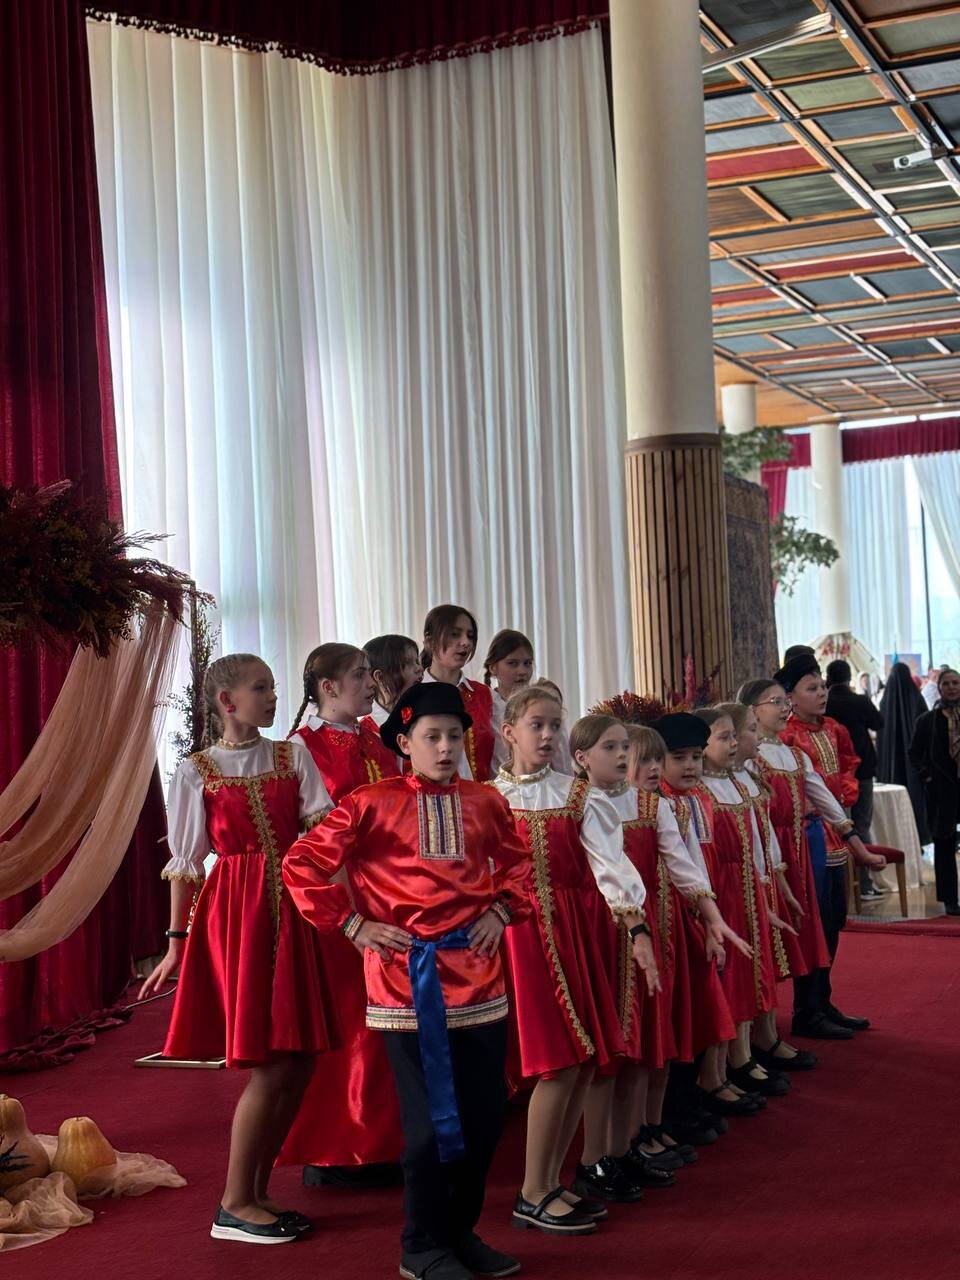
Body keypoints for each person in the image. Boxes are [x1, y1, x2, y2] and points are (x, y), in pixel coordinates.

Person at [284, 681, 531, 1280]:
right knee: (426, 1130)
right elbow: (301, 863)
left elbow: (521, 864)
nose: (445, 748)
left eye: (455, 736)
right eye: (432, 737)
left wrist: (501, 911)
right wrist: (352, 924)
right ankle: (421, 1245)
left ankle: (460, 1233)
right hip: (406, 987)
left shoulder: (486, 801)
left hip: (481, 983)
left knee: (484, 1119)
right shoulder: (369, 803)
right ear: (404, 743)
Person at [140, 654, 335, 1244]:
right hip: (239, 915)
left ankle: (257, 1191)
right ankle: (233, 1202)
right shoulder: (197, 771)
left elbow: (324, 836)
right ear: (227, 702)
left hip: (293, 909)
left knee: (300, 1061)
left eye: (272, 686)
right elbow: (186, 863)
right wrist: (175, 944)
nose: (272, 696)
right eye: (260, 688)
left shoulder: (292, 756)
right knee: (273, 1063)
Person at [495, 692, 658, 1227]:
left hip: (573, 933)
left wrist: (637, 929)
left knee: (583, 1061)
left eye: (555, 725)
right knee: (559, 1061)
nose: (547, 735)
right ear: (509, 731)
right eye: (536, 725)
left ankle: (549, 1183)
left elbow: (611, 865)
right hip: (516, 937)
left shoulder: (578, 794)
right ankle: (531, 1190)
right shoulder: (488, 798)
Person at [280, 643, 403, 1182]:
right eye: (359, 675)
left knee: (389, 1014)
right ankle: (339, 1148)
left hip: (391, 889)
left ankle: (387, 1138)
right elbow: (305, 840)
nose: (371, 684)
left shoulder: (376, 736)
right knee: (350, 1017)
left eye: (370, 673)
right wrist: (342, 910)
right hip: (340, 895)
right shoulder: (301, 747)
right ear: (328, 687)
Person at [778, 653, 886, 1038]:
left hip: (836, 834)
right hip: (808, 839)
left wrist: (844, 800)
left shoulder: (834, 728)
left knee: (834, 920)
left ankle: (822, 1002)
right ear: (790, 697)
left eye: (822, 686)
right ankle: (807, 1009)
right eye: (812, 688)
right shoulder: (786, 736)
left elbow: (848, 767)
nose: (822, 693)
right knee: (815, 924)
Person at [693, 708, 787, 1103]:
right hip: (722, 890)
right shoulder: (700, 792)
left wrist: (765, 887)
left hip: (746, 886)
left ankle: (743, 1053)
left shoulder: (736, 782)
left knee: (749, 973)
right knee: (728, 977)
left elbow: (756, 841)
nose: (733, 744)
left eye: (735, 736)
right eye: (724, 737)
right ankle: (720, 1069)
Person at [825, 659, 885, 899]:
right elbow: (878, 723)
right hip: (861, 770)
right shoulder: (859, 701)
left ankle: (844, 887)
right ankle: (865, 885)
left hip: (832, 772)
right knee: (861, 824)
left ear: (828, 678)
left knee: (837, 827)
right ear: (849, 677)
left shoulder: (825, 703)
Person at [421, 604, 496, 781]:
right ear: (429, 641)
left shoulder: (484, 695)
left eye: (470, 636)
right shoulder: (412, 695)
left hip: (482, 794)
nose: (465, 642)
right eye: (455, 634)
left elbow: (499, 760)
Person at [909, 668, 960, 917]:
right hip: (942, 790)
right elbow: (914, 753)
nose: (951, 687)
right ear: (939, 688)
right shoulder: (928, 720)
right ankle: (950, 899)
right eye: (946, 683)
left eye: (955, 683)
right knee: (944, 843)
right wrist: (927, 776)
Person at [878, 660, 931, 847]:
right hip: (913, 765)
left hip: (891, 764)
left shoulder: (885, 701)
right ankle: (918, 837)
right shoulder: (917, 699)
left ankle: (895, 839)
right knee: (916, 799)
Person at [483, 629, 535, 774]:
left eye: (527, 663)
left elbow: (560, 761)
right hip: (494, 784)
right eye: (512, 663)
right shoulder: (485, 705)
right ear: (493, 667)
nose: (522, 671)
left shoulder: (541, 704)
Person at [361, 633, 424, 747]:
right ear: (380, 677)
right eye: (408, 663)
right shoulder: (364, 733)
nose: (419, 668)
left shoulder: (427, 715)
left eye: (417, 661)